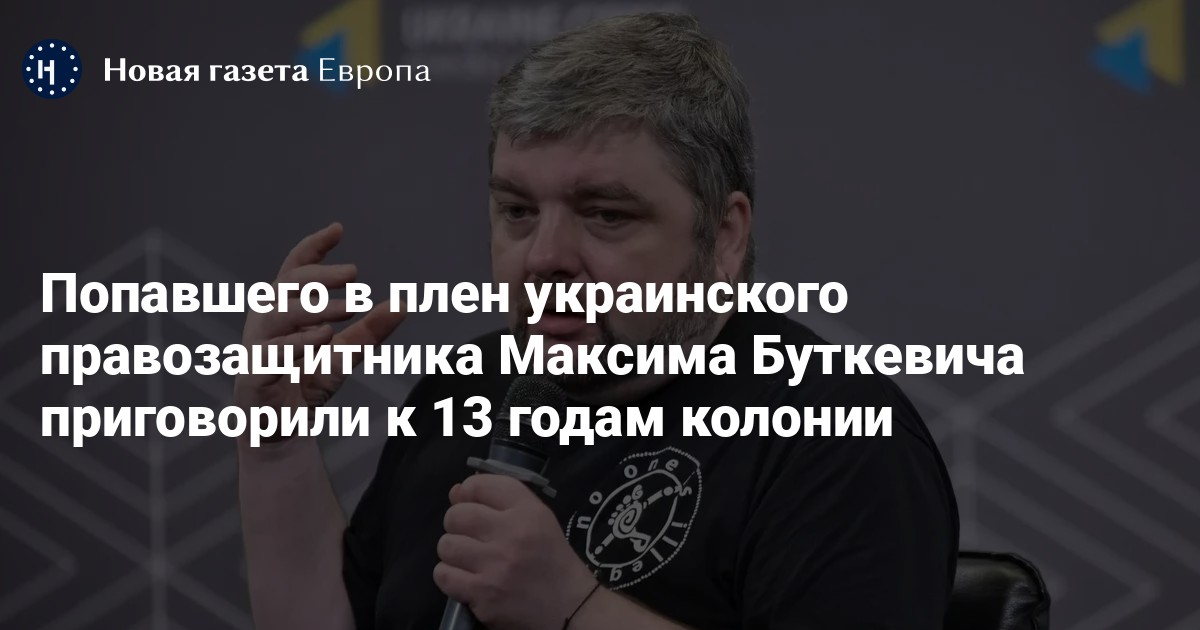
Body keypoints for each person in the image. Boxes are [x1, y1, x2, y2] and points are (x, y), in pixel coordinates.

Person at [235, 12, 959, 630]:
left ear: (724, 235)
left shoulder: (834, 436)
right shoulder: (464, 389)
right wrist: (276, 448)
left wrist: (571, 607)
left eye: (606, 215)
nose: (544, 258)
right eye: (518, 211)